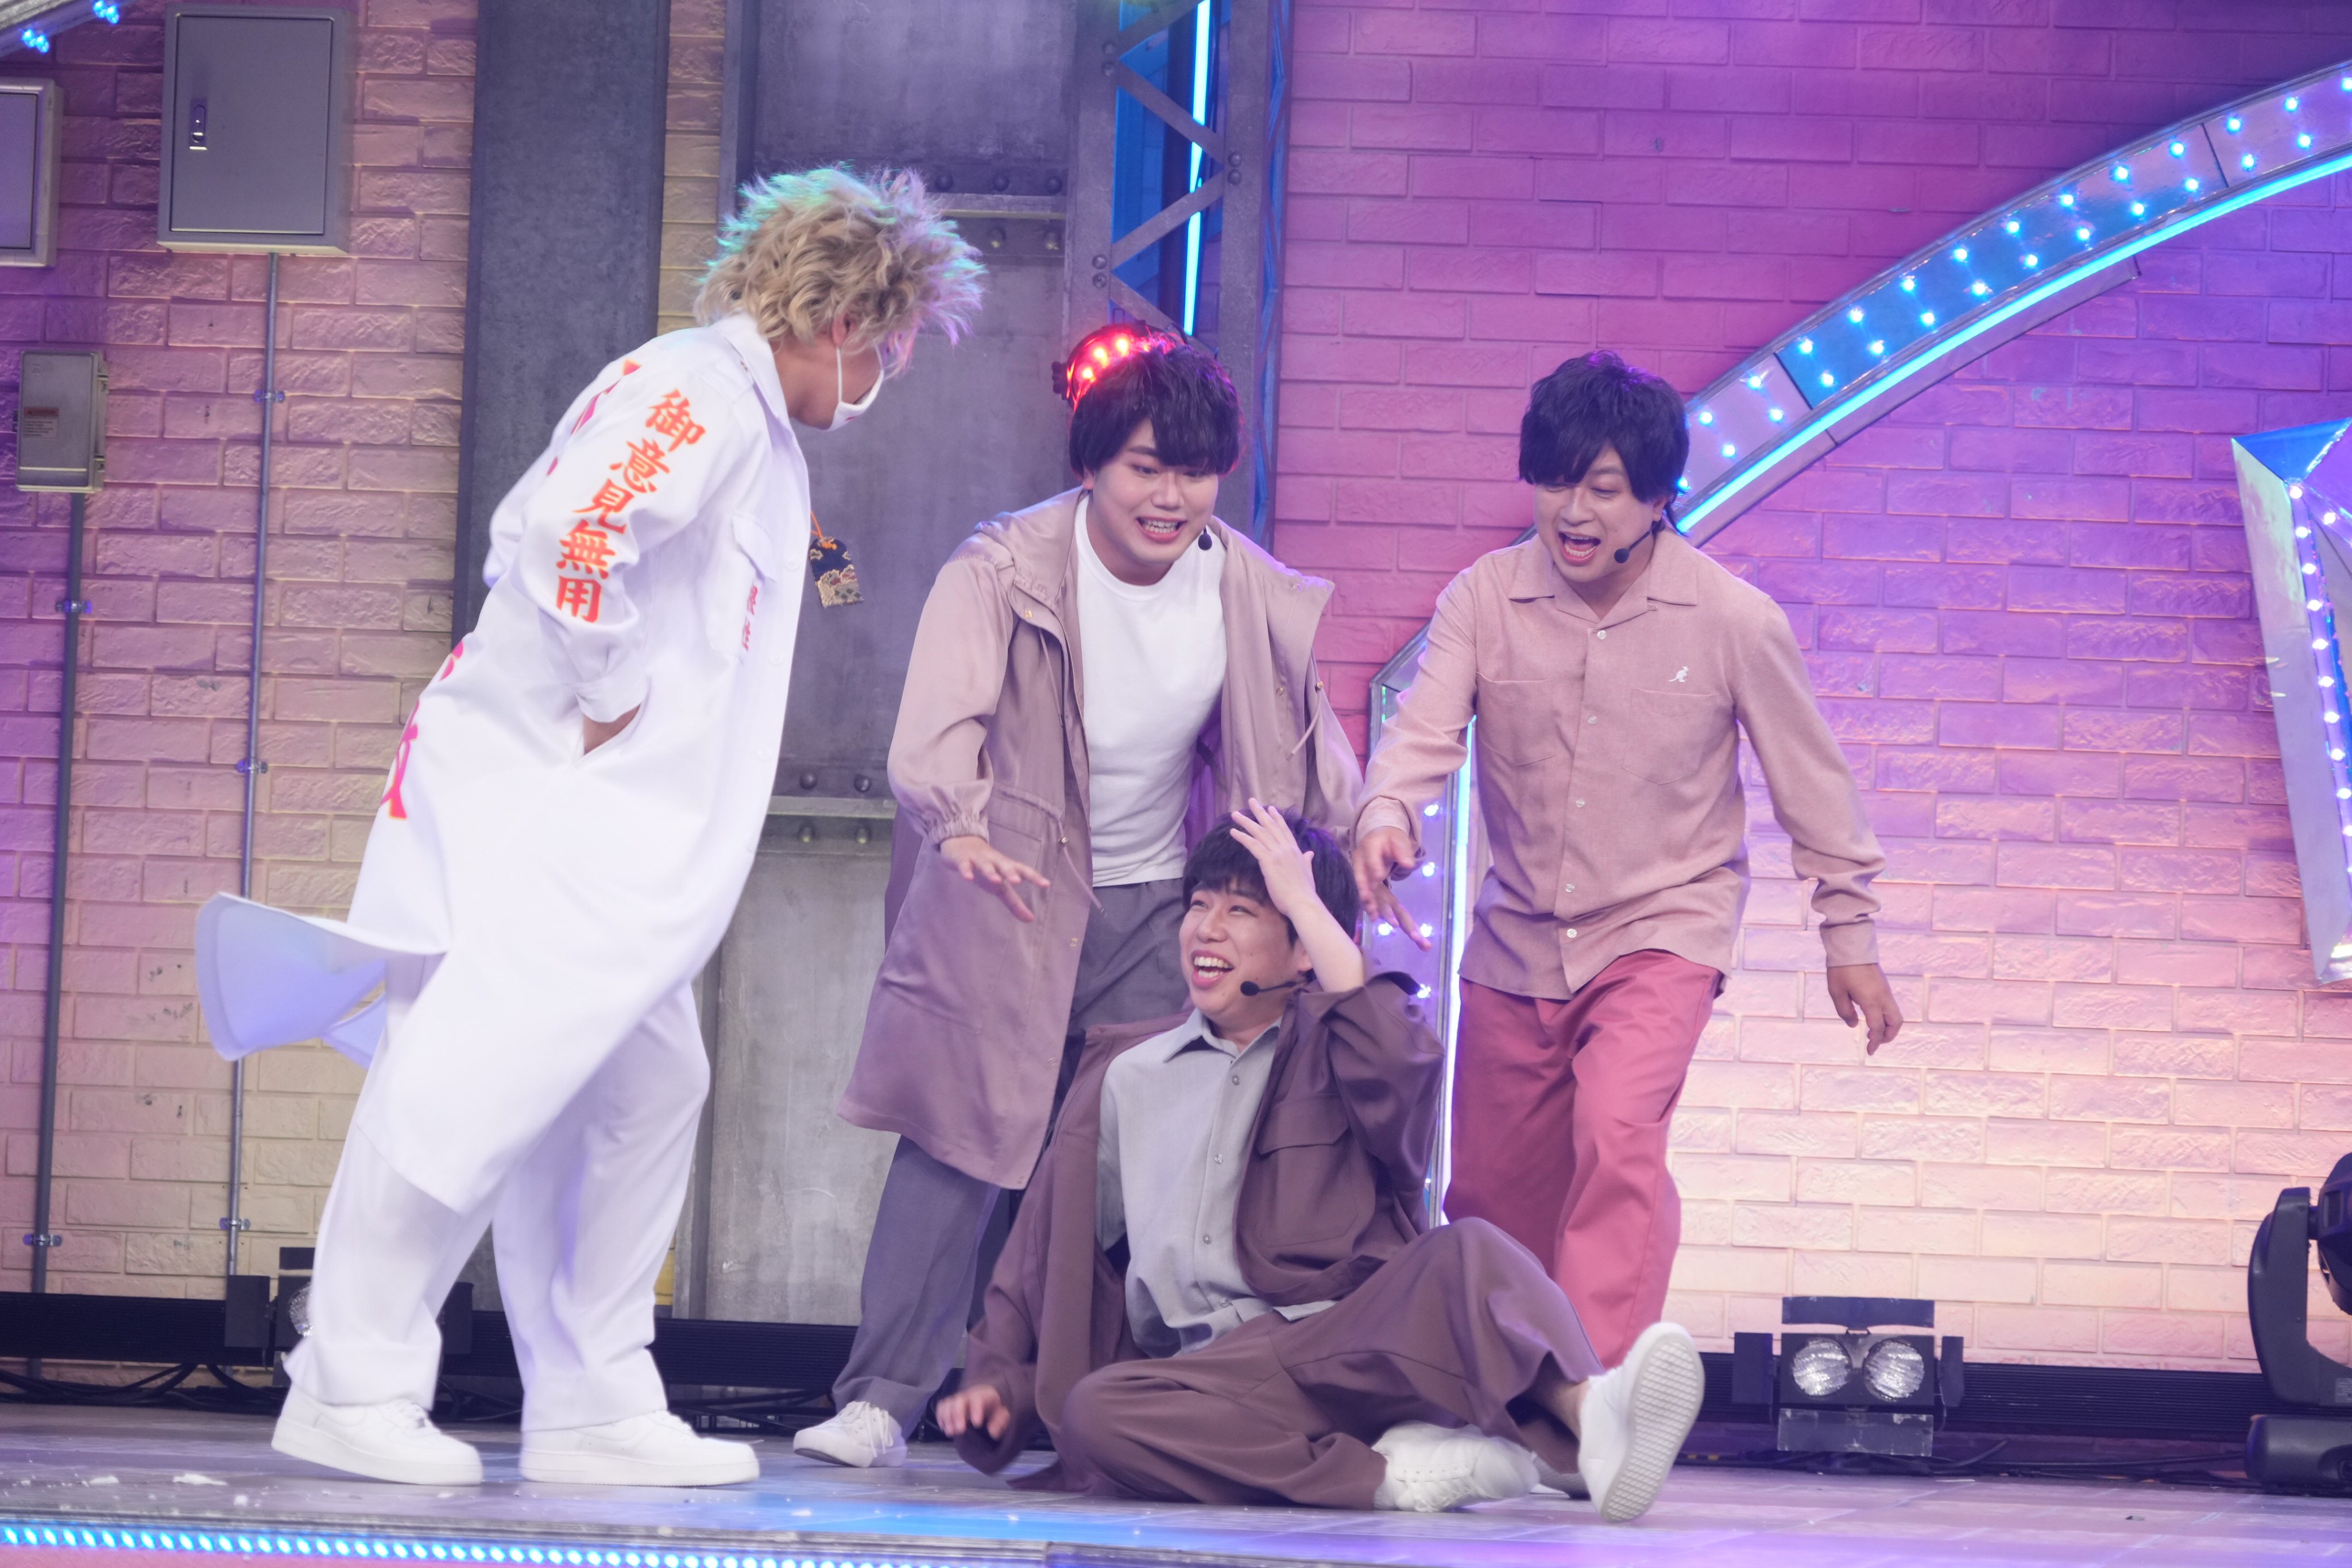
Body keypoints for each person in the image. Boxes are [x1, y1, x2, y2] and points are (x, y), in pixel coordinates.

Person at [192, 169, 983, 1488]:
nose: (884, 376)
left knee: (645, 1089)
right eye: (890, 348)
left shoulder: (744, 424)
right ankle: (351, 1378)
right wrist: (610, 690)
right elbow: (570, 530)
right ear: (843, 317)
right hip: (555, 815)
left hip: (613, 841)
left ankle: (592, 1400)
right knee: (471, 1076)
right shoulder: (699, 391)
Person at [793, 342, 1363, 1468]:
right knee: (959, 1146)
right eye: (1146, 468)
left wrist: (1356, 834)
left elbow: (1304, 741)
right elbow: (935, 729)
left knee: (1126, 1160)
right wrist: (960, 824)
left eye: (1194, 472)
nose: (1170, 497)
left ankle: (1087, 1402)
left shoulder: (1243, 585)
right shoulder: (1004, 568)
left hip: (1159, 908)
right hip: (1008, 894)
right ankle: (879, 1401)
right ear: (1091, 463)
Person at [1351, 351, 1902, 1368]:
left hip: (1664, 926)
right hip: (1518, 937)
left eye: (1603, 488)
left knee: (1616, 1133)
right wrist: (1385, 812)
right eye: (1556, 482)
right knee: (1491, 1195)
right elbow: (1422, 732)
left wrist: (1850, 938)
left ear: (1657, 496)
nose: (1574, 511)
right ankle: (1510, 1392)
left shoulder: (1733, 620)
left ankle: (1600, 1392)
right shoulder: (1483, 598)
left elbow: (1813, 786)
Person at [934, 803, 1705, 1522]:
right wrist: (998, 1381)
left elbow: (1399, 1061)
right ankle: (1388, 1474)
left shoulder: (1347, 1049)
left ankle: (1593, 1418)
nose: (1208, 931)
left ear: (1303, 947)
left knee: (1471, 1248)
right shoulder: (1125, 1075)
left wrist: (1306, 901)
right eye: (1199, 906)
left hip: (1351, 1345)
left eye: (1243, 911)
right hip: (1214, 1379)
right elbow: (1040, 1255)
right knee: (1096, 1413)